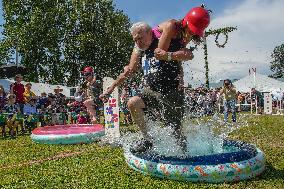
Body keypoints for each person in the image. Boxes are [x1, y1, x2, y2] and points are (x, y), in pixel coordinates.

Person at [100, 6, 210, 153]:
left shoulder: (169, 33)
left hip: (171, 91)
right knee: (132, 103)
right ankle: (147, 140)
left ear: (150, 32)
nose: (138, 42)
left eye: (140, 38)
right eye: (135, 40)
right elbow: (129, 71)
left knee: (177, 133)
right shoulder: (140, 46)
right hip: (151, 90)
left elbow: (178, 54)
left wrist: (180, 72)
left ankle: (186, 157)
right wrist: (111, 88)